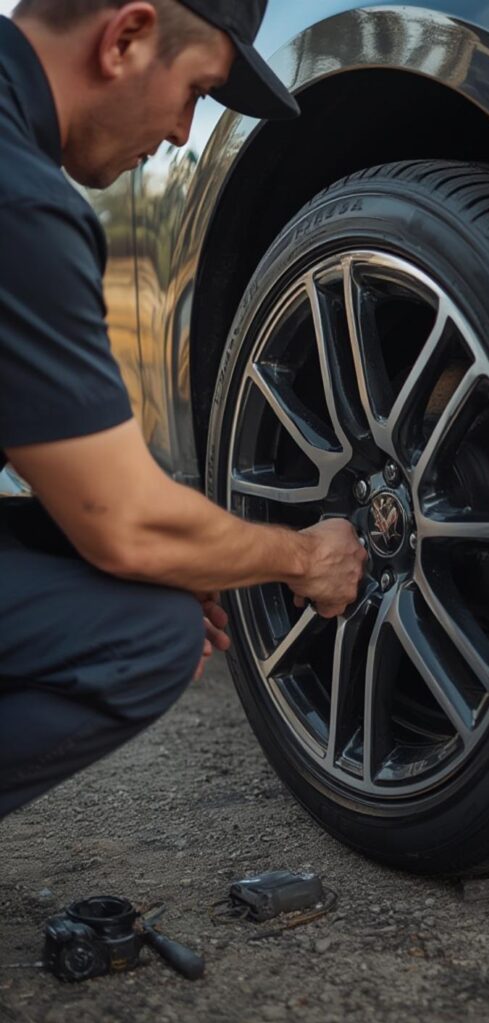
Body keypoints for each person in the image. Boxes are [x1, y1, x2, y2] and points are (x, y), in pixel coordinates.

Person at [0, 0, 367, 819]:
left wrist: (185, 548)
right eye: (197, 90)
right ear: (125, 38)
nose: (181, 132)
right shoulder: (21, 207)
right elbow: (128, 526)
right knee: (145, 637)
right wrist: (303, 559)